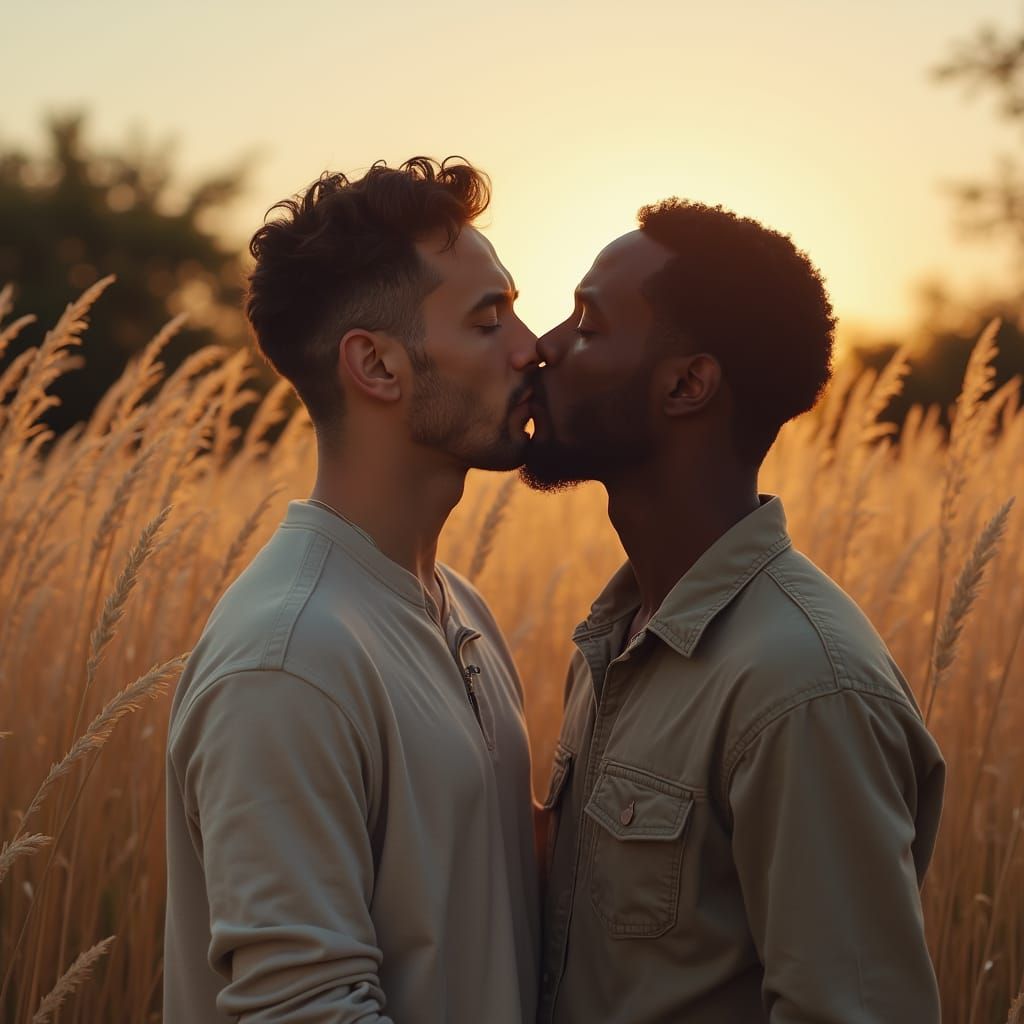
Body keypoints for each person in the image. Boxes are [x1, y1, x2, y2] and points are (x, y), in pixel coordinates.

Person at [523, 199, 945, 1024]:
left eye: (588, 323)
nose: (542, 347)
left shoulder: (804, 686)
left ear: (687, 384)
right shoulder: (617, 638)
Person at [163, 158, 540, 1024]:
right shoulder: (290, 660)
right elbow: (304, 1009)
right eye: (490, 321)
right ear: (376, 366)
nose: (531, 347)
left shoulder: (457, 609)